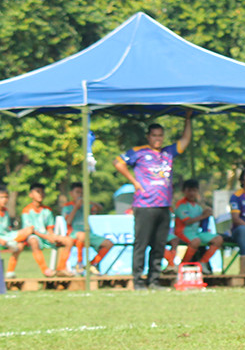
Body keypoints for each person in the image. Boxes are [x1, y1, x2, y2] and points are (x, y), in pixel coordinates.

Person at [114, 113, 192, 290]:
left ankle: (154, 280)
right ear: (149, 137)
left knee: (159, 244)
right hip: (144, 205)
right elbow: (118, 162)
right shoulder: (139, 152)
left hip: (163, 206)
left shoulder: (168, 152)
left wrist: (187, 119)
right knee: (141, 244)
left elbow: (185, 140)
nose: (157, 139)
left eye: (160, 136)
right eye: (154, 135)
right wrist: (134, 182)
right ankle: (137, 280)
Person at [20, 183, 75, 277]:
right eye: (37, 192)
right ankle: (45, 270)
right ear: (31, 194)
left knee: (69, 241)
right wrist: (47, 237)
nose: (40, 194)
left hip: (46, 236)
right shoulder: (27, 210)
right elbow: (30, 230)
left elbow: (50, 228)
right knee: (33, 241)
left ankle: (61, 268)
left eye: (42, 192)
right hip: (34, 236)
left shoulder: (47, 210)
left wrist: (52, 236)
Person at [62, 182, 114, 275]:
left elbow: (100, 208)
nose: (79, 195)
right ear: (71, 193)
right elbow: (68, 222)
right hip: (74, 233)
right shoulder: (67, 206)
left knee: (108, 244)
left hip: (88, 233)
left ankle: (92, 264)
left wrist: (89, 202)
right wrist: (76, 207)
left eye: (81, 193)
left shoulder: (86, 204)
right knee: (82, 236)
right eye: (77, 192)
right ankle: (79, 263)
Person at [174, 179, 223, 274]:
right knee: (196, 241)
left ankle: (203, 262)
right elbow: (187, 221)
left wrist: (206, 214)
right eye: (189, 191)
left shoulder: (198, 206)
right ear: (184, 191)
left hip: (196, 233)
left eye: (194, 190)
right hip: (183, 232)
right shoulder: (181, 205)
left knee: (218, 239)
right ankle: (183, 265)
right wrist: (203, 216)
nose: (192, 193)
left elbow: (200, 222)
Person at [1, 186, 34, 278]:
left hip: (7, 236)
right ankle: (10, 244)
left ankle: (10, 272)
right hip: (1, 239)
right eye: (2, 197)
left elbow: (7, 229)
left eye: (6, 197)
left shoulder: (6, 212)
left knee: (28, 231)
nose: (5, 200)